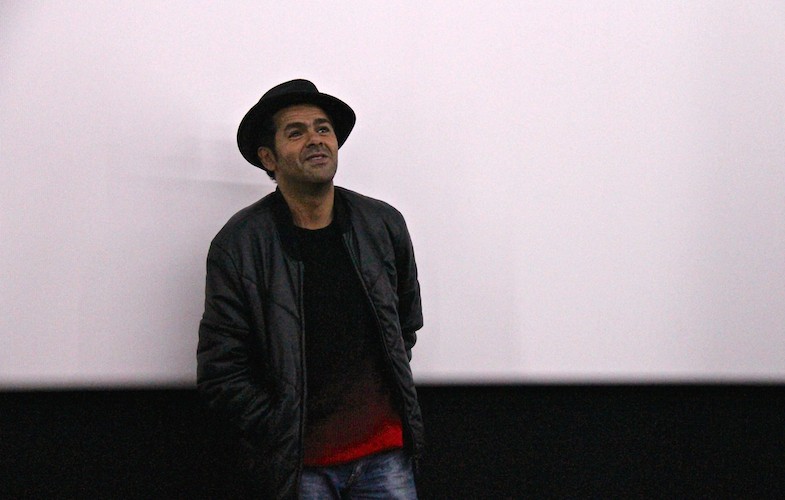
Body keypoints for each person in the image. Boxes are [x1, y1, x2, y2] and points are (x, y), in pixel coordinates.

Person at [197, 79, 424, 499]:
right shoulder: (240, 246)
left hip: (385, 456)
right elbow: (222, 371)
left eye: (323, 128)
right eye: (296, 132)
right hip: (300, 468)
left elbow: (405, 325)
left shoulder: (382, 225)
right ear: (268, 157)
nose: (316, 139)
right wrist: (280, 427)